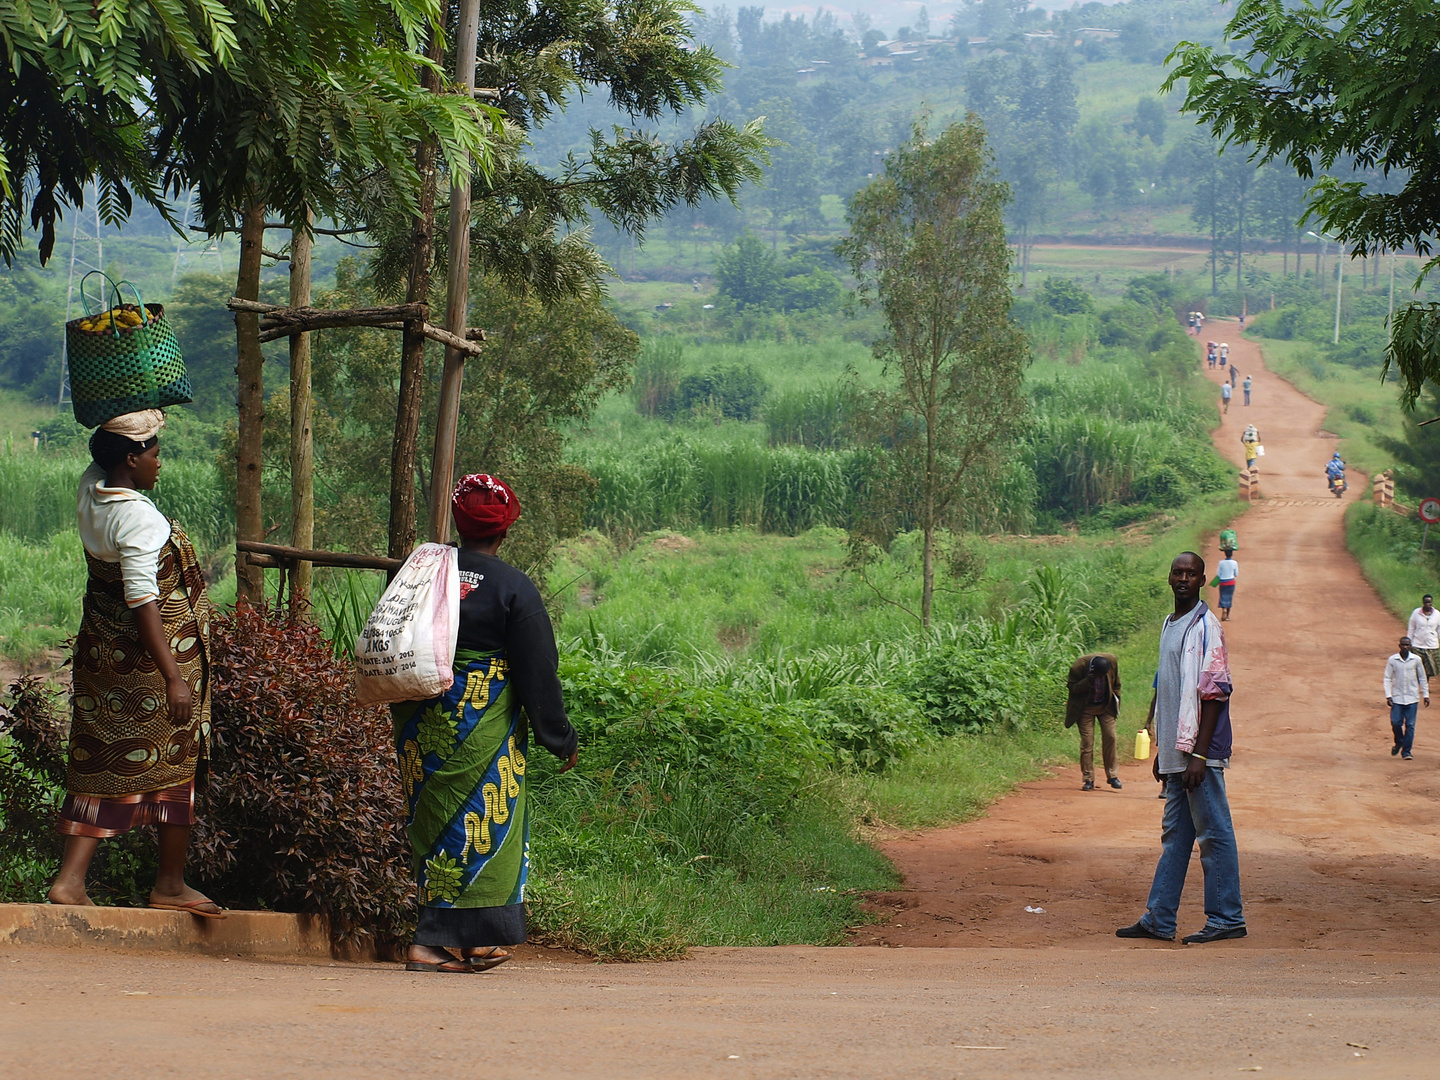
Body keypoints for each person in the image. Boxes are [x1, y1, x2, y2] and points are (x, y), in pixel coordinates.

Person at [392, 473, 579, 973]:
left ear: (458, 521)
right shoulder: (512, 588)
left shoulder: (421, 572)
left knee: (435, 826)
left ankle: (465, 942)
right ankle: (433, 943)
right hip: (482, 726)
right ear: (505, 530)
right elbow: (540, 671)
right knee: (482, 824)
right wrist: (558, 737)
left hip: (419, 727)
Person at [47, 410, 220, 916]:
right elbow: (143, 600)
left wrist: (125, 410)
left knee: (99, 762)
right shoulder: (139, 518)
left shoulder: (91, 494)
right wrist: (174, 679)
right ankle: (168, 884)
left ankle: (71, 881)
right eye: (153, 453)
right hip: (149, 666)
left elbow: (94, 460)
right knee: (176, 762)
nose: (159, 463)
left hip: (104, 658)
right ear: (130, 459)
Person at [1118, 552, 1245, 944]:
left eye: (1192, 573)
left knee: (1214, 833)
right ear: (1169, 578)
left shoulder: (1206, 627)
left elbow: (1215, 693)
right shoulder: (1169, 624)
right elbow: (1173, 691)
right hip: (1179, 753)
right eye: (1178, 572)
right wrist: (1165, 749)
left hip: (1199, 756)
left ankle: (1226, 917)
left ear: (1203, 580)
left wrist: (1200, 755)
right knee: (1176, 836)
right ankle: (1159, 918)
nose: (1184, 578)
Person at [1065, 653, 1123, 791]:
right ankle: (1088, 779)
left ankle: (1113, 776)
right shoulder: (1079, 667)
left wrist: (1116, 702)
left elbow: (1116, 684)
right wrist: (1087, 681)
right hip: (1085, 708)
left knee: (1111, 737)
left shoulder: (1111, 661)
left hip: (1106, 707)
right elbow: (1072, 688)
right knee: (1087, 743)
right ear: (1092, 670)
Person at [1384, 636, 1429, 760]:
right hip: (1398, 697)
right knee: (1396, 722)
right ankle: (1399, 742)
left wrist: (1426, 695)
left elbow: (1422, 678)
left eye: (1407, 645)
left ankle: (1406, 751)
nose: (1405, 647)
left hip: (1412, 697)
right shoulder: (1393, 660)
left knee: (1410, 725)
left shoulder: (1416, 660)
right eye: (1403, 645)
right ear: (1399, 646)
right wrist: (1388, 695)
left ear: (1411, 647)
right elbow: (1387, 678)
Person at [1406, 595, 1440, 678]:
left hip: (1432, 645)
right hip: (1418, 645)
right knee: (1418, 668)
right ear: (1423, 603)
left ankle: (1425, 686)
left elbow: (1439, 629)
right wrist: (1409, 642)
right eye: (1426, 602)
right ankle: (1418, 686)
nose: (1428, 604)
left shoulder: (1437, 614)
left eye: (1429, 602)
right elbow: (1411, 628)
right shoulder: (1416, 613)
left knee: (1430, 669)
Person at [1214, 552, 1238, 621]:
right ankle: (1227, 616)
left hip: (1223, 582)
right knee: (1229, 597)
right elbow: (1236, 574)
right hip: (1231, 581)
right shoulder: (1234, 563)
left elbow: (1218, 574)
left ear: (1225, 553)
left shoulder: (1221, 563)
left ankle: (1223, 608)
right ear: (1232, 554)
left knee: (1223, 596)